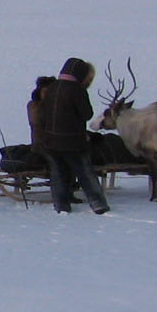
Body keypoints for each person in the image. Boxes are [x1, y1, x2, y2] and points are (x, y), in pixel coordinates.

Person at [32, 56, 109, 215]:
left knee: (58, 173)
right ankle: (97, 203)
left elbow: (43, 113)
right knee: (85, 172)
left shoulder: (52, 88)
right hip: (73, 141)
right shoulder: (77, 90)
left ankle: (61, 204)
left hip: (51, 141)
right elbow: (87, 114)